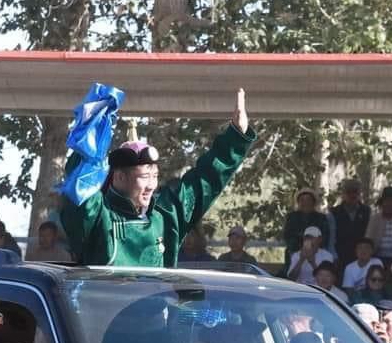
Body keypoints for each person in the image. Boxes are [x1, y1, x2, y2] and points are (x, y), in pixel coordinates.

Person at [62, 90, 254, 267]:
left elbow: (204, 180)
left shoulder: (165, 214)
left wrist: (235, 137)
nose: (151, 185)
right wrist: (91, 130)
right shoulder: (97, 216)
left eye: (155, 176)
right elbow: (80, 187)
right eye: (145, 177)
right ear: (119, 177)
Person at [329, 178, 371, 269]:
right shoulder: (334, 212)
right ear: (343, 194)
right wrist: (333, 255)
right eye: (348, 192)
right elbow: (331, 237)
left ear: (359, 193)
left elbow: (369, 236)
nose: (352, 195)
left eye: (355, 191)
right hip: (340, 257)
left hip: (361, 257)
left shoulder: (366, 211)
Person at [365, 187, 392, 268]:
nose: (390, 204)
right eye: (387, 201)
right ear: (382, 204)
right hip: (377, 257)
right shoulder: (374, 219)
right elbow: (368, 239)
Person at [282, 189, 329, 266]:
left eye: (308, 200)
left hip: (317, 253)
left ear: (314, 202)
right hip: (294, 252)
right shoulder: (291, 217)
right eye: (302, 200)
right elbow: (287, 236)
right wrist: (300, 249)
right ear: (298, 202)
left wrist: (312, 248)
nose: (305, 203)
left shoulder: (321, 218)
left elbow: (325, 237)